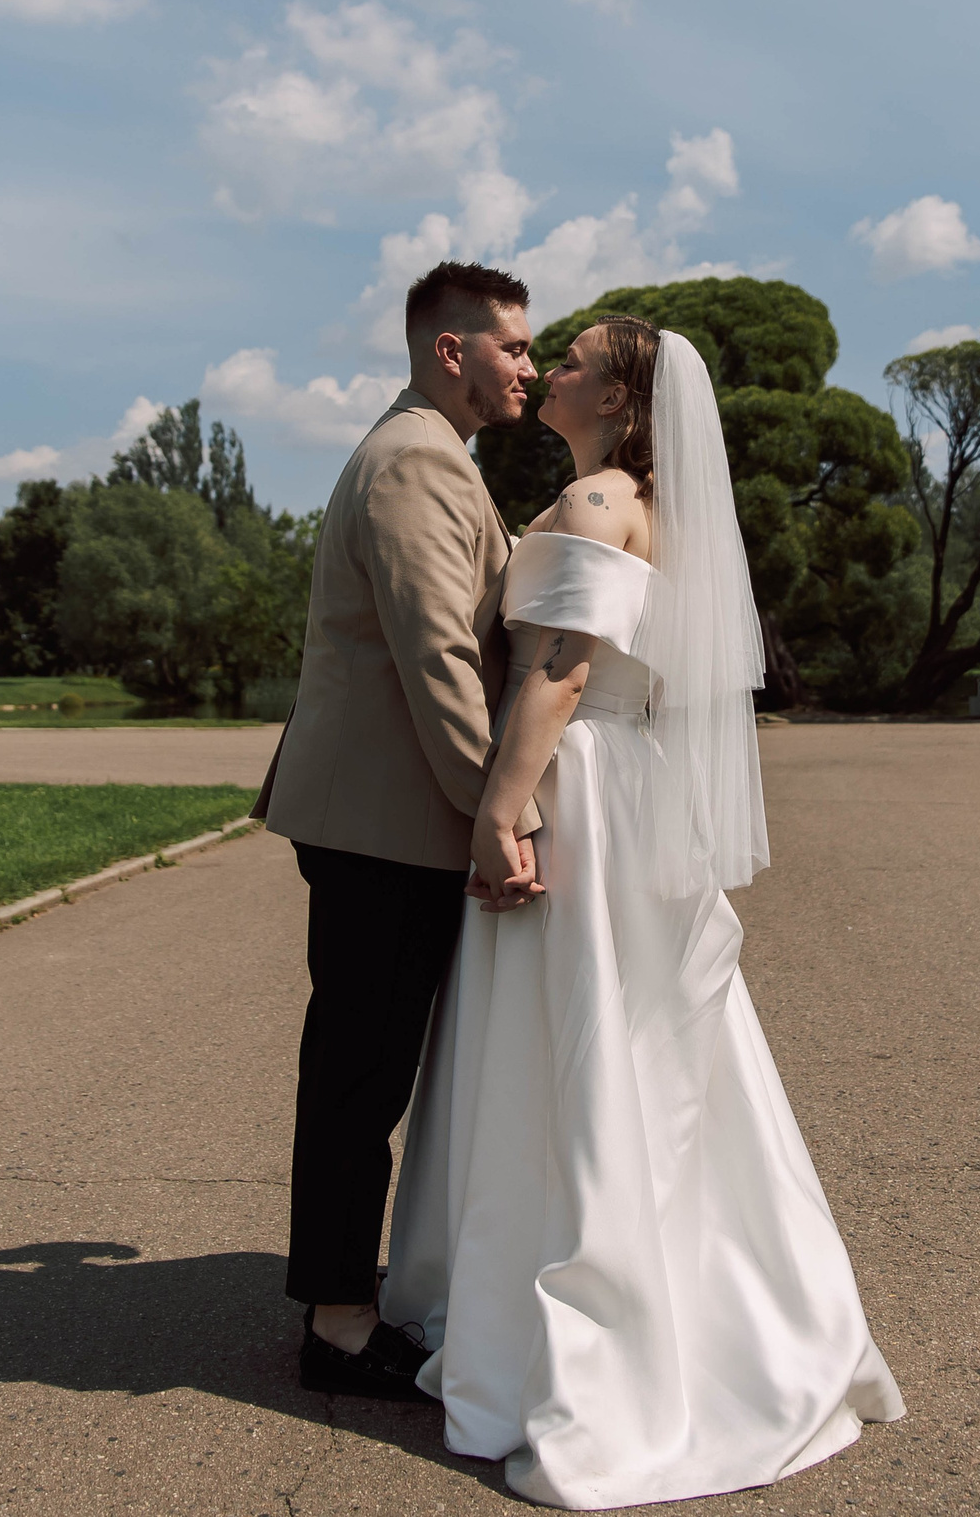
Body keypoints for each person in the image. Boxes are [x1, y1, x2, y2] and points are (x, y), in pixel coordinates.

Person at [383, 317, 904, 1508]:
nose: (545, 371)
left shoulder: (597, 507)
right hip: (639, 796)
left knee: (571, 1045)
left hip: (581, 795)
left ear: (620, 399)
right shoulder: (660, 511)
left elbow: (557, 673)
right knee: (652, 1049)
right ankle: (727, 1298)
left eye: (569, 361)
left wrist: (497, 812)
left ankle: (580, 1311)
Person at [251, 260, 541, 1402]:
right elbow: (438, 661)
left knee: (366, 1066)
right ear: (449, 350)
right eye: (512, 346)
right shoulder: (417, 459)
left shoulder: (434, 456)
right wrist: (494, 813)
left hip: (387, 816)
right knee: (360, 1075)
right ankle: (335, 1324)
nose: (525, 364)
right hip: (387, 824)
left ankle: (347, 1298)